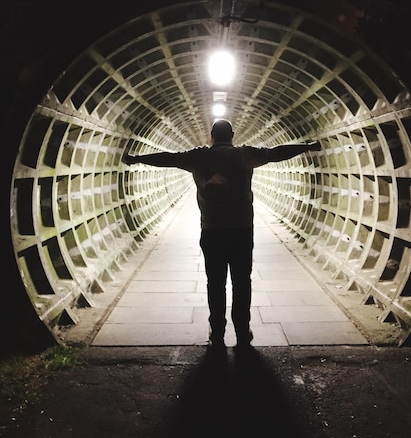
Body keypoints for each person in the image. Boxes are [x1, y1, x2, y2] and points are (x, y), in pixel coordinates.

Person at [122, 119, 321, 349]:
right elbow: (277, 153)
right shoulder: (244, 155)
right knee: (241, 282)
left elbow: (167, 158)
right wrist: (307, 146)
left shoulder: (198, 157)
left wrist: (136, 159)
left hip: (212, 229)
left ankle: (217, 331)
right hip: (242, 229)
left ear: (211, 136)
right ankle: (242, 330)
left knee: (215, 283)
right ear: (233, 135)